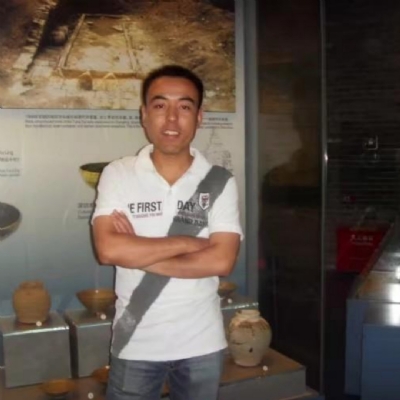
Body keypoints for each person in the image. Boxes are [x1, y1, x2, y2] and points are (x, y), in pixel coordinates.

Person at [91, 65, 242, 400]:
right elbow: (108, 250)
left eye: (184, 106)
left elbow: (221, 261)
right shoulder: (118, 173)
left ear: (199, 117)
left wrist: (138, 253)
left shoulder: (219, 180)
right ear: (144, 115)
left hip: (202, 343)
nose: (171, 118)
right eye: (160, 105)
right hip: (134, 341)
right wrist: (188, 243)